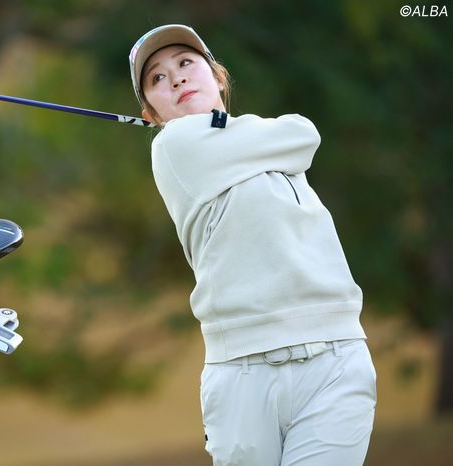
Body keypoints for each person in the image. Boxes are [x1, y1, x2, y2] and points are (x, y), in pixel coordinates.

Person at [129, 24, 377, 465]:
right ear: (151, 114)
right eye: (158, 78)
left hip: (335, 359)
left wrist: (245, 139)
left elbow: (305, 134)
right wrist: (264, 142)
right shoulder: (172, 145)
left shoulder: (248, 145)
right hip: (243, 372)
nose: (177, 78)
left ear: (218, 76)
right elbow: (297, 135)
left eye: (185, 63)